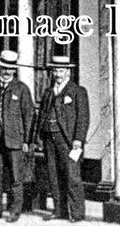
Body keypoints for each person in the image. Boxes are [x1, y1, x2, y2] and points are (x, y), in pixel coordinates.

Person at [0, 49, 34, 222]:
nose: (6, 71)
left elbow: (29, 115)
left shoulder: (21, 89)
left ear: (14, 69)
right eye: (4, 67)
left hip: (15, 138)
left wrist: (27, 141)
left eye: (10, 68)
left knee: (17, 177)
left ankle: (15, 211)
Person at [36, 56, 89, 223]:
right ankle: (59, 211)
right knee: (53, 175)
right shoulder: (48, 92)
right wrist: (39, 136)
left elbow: (83, 118)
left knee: (72, 177)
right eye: (55, 71)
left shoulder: (77, 91)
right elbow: (42, 115)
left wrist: (79, 139)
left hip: (67, 140)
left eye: (61, 70)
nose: (58, 74)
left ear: (68, 72)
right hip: (49, 138)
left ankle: (77, 214)